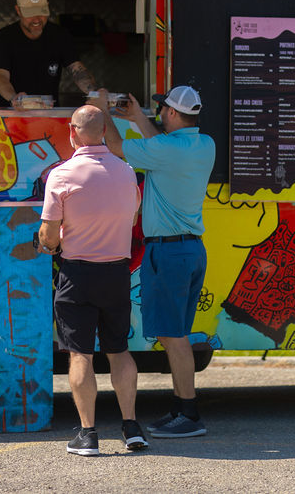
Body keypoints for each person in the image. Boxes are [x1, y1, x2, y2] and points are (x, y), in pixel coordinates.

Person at [91, 85, 215, 438]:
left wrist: (101, 112)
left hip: (168, 252)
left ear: (173, 114)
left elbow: (117, 147)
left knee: (172, 337)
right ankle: (181, 407)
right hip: (192, 250)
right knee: (178, 335)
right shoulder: (204, 145)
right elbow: (159, 146)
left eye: (163, 111)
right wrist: (138, 118)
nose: (159, 115)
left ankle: (189, 414)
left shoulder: (165, 148)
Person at [37, 105, 144, 456]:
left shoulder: (61, 174)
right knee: (119, 350)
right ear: (102, 131)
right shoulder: (128, 173)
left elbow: (50, 236)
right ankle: (131, 427)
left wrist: (47, 242)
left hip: (78, 273)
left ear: (72, 131)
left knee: (80, 354)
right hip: (116, 271)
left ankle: (88, 434)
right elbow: (130, 220)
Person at [0, 0, 98, 109]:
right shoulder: (4, 38)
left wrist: (94, 93)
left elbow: (77, 70)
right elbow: (1, 77)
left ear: (48, 7)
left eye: (41, 12)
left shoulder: (60, 36)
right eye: (30, 13)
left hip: (48, 113)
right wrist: (15, 99)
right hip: (7, 112)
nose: (36, 19)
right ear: (18, 10)